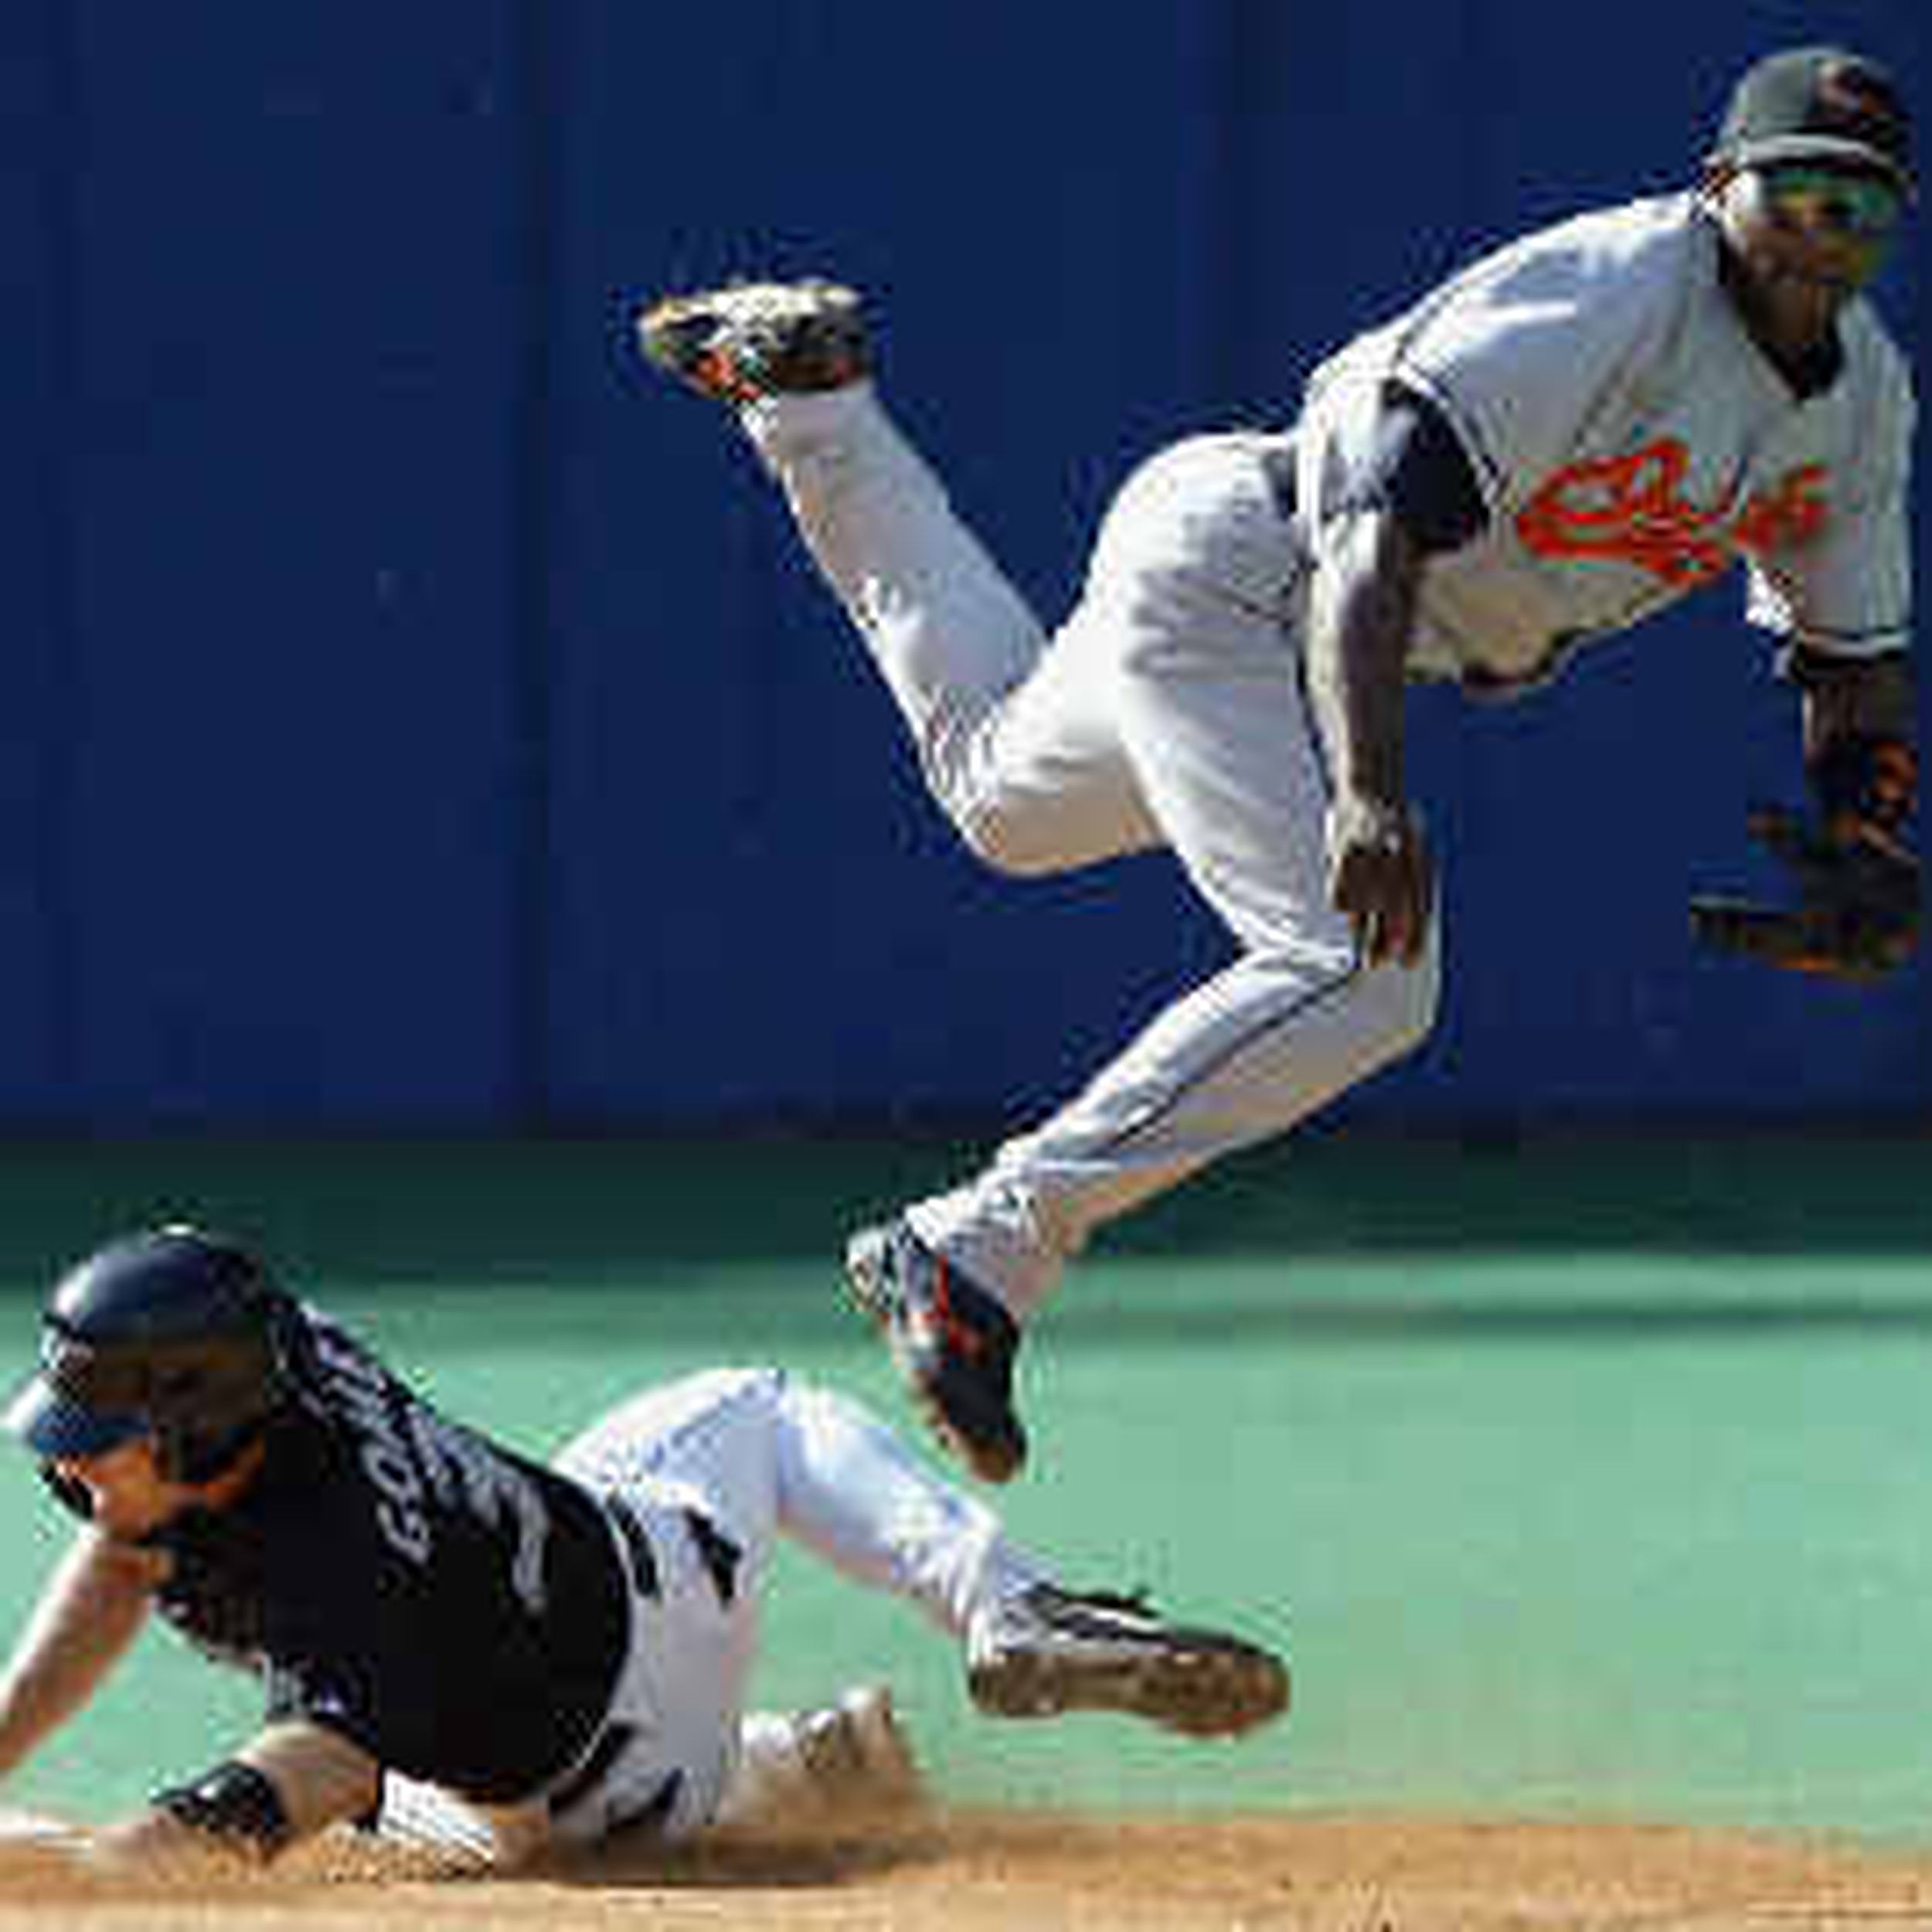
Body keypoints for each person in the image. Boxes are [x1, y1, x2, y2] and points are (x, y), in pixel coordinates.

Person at [637, 46, 1920, 1484]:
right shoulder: (1619, 292)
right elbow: (1379, 511)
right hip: (1260, 576)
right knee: (1368, 973)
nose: (1824, 240)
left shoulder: (1863, 401)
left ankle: (809, 401)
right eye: (1797, 197)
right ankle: (975, 1250)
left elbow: (1848, 653)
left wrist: (1865, 840)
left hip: (1266, 610)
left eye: (1861, 211)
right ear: (1717, 189)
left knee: (1002, 800)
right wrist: (1370, 787)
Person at [0, 1226, 1287, 1873]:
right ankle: (934, 1658)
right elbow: (126, 1551)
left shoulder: (337, 1554)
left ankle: (887, 1691)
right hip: (611, 1683)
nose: (67, 1458)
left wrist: (125, 1865)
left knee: (752, 1407)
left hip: (565, 1756)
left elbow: (321, 1763)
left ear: (200, 1418)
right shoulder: (277, 1363)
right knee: (755, 1425)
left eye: (101, 1432)